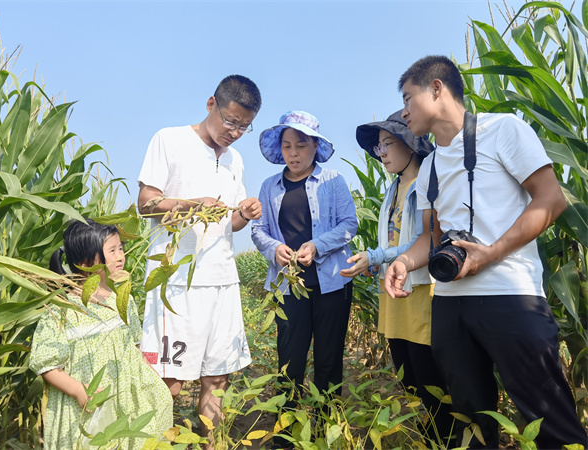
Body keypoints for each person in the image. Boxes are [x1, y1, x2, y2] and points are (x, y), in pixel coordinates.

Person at [384, 55, 588, 449]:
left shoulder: (502, 130)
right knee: (471, 422)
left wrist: (491, 253)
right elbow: (432, 235)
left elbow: (551, 200)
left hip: (511, 295)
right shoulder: (428, 168)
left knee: (549, 418)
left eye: (408, 98)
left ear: (438, 89)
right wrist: (404, 261)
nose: (404, 111)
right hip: (449, 304)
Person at [137, 75, 262, 446]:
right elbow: (146, 203)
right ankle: (153, 441)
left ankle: (210, 443)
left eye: (244, 126)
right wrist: (193, 204)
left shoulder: (236, 159)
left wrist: (246, 211)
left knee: (218, 378)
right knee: (169, 383)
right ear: (211, 104)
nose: (235, 132)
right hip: (174, 283)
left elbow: (231, 223)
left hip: (222, 280)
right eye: (230, 121)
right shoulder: (170, 140)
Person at [340, 109, 453, 445]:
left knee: (429, 373)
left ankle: (444, 436)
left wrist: (376, 256)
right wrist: (377, 262)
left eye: (388, 143)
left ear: (411, 143)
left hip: (420, 291)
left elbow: (425, 240)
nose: (382, 153)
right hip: (394, 291)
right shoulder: (392, 189)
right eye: (378, 147)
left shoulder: (426, 185)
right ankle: (429, 432)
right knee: (407, 373)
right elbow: (391, 240)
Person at [252, 111, 357, 429]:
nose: (293, 153)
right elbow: (258, 229)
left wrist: (317, 246)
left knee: (328, 360)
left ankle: (328, 430)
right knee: (290, 361)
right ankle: (286, 435)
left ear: (315, 146)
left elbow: (349, 224)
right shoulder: (269, 187)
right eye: (286, 146)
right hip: (289, 285)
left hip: (332, 285)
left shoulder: (333, 181)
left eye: (300, 144)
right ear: (280, 150)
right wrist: (274, 249)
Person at [29, 219, 173, 450]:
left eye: (121, 249)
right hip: (87, 405)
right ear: (86, 261)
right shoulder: (62, 308)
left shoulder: (122, 299)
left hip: (125, 397)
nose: (121, 256)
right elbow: (47, 366)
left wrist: (148, 376)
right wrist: (79, 390)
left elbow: (134, 347)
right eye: (112, 250)